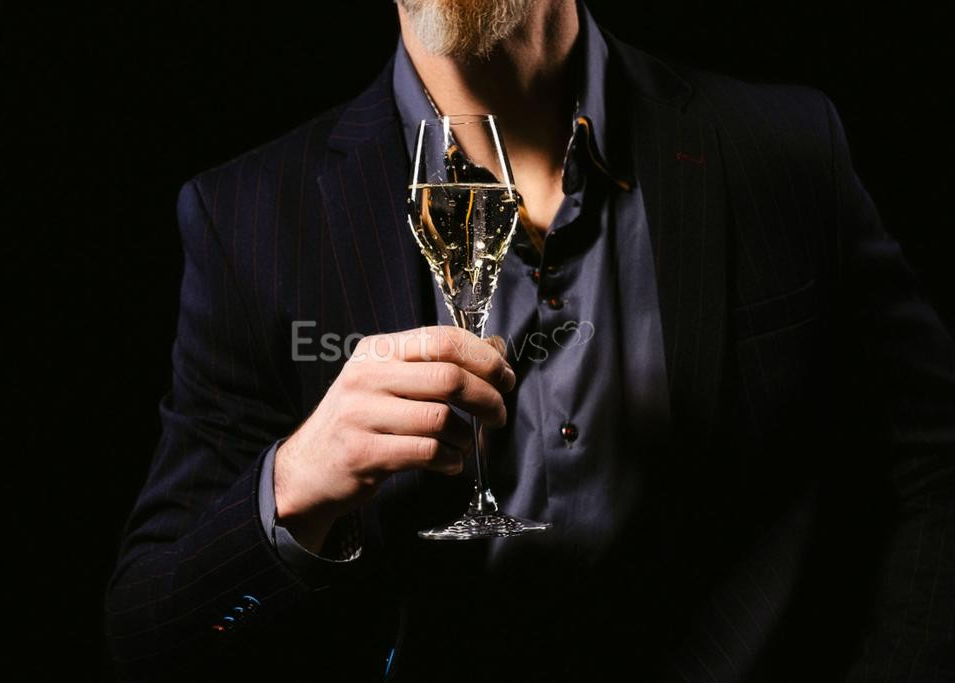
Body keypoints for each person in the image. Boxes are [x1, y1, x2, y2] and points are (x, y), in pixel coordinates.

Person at [105, 0, 955, 680]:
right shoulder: (246, 219)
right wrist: (295, 484)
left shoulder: (782, 149)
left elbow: (934, 464)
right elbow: (149, 636)